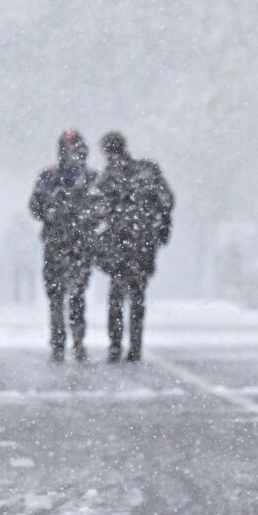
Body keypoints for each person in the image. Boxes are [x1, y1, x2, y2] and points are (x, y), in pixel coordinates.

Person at [96, 132, 174, 363]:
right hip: (143, 243)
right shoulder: (147, 170)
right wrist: (157, 228)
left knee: (117, 296)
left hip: (120, 244)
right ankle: (135, 344)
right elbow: (167, 201)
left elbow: (96, 210)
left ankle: (116, 344)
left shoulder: (108, 178)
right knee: (137, 295)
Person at [29, 129, 100, 362]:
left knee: (75, 294)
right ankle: (62, 342)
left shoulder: (88, 178)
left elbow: (101, 208)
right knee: (60, 295)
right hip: (61, 243)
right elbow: (36, 207)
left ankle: (74, 341)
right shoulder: (50, 177)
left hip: (74, 243)